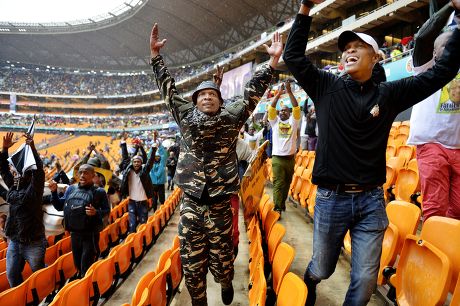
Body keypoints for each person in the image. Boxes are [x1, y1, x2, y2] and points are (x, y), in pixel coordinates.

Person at [283, 1, 460, 305]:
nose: (349, 51)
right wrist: (304, 10)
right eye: (346, 48)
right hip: (330, 198)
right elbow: (293, 57)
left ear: (376, 57)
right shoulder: (325, 86)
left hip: (370, 201)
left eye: (358, 46)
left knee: (365, 281)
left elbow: (440, 73)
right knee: (323, 267)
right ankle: (311, 280)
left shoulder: (389, 95)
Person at [149, 23, 279, 306]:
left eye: (213, 94)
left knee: (223, 256)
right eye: (202, 95)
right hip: (192, 204)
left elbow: (251, 93)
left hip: (221, 205)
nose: (207, 97)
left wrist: (272, 62)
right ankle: (199, 300)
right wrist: (156, 57)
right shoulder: (185, 118)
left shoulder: (231, 119)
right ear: (194, 102)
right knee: (192, 261)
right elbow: (168, 91)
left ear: (220, 101)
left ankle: (225, 280)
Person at [407, 0, 460, 221]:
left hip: (458, 146)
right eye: (444, 46)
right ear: (434, 52)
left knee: (457, 211)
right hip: (431, 144)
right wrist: (451, 5)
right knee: (436, 208)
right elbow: (422, 38)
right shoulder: (425, 68)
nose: (450, 48)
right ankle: (432, 247)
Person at [0, 132, 46, 287]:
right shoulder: (14, 186)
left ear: (26, 175)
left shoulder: (34, 190)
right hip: (14, 240)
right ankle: (23, 299)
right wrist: (4, 150)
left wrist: (32, 148)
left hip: (33, 242)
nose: (14, 174)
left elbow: (39, 172)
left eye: (18, 172)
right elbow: (4, 171)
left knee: (39, 276)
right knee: (12, 275)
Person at [49, 164, 110, 276]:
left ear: (93, 175)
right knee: (77, 264)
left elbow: (107, 210)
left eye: (86, 172)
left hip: (90, 234)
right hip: (74, 234)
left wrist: (96, 212)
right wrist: (53, 192)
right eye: (80, 172)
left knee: (86, 266)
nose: (82, 175)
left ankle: (87, 288)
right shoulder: (71, 189)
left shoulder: (99, 192)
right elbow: (59, 206)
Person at [268, 80, 301, 215]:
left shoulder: (294, 121)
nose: (282, 112)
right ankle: (277, 208)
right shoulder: (274, 122)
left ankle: (281, 204)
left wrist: (289, 92)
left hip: (290, 159)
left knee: (287, 184)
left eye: (285, 110)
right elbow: (271, 108)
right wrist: (278, 94)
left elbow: (296, 108)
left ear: (289, 113)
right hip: (277, 159)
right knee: (278, 183)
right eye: (280, 110)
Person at [120, 138, 156, 232]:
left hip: (143, 203)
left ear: (141, 163)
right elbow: (125, 159)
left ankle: (143, 244)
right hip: (132, 202)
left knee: (143, 226)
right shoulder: (129, 171)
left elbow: (150, 161)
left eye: (138, 162)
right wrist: (123, 144)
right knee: (132, 226)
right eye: (135, 161)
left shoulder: (145, 171)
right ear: (132, 162)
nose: (136, 163)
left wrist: (153, 149)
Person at [149, 142, 166, 211]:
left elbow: (163, 155)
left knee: (162, 198)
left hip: (161, 184)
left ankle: (163, 211)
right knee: (154, 199)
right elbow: (150, 155)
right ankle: (154, 211)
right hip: (153, 184)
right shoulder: (151, 163)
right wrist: (153, 147)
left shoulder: (162, 163)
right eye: (155, 156)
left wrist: (160, 145)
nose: (157, 157)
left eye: (158, 156)